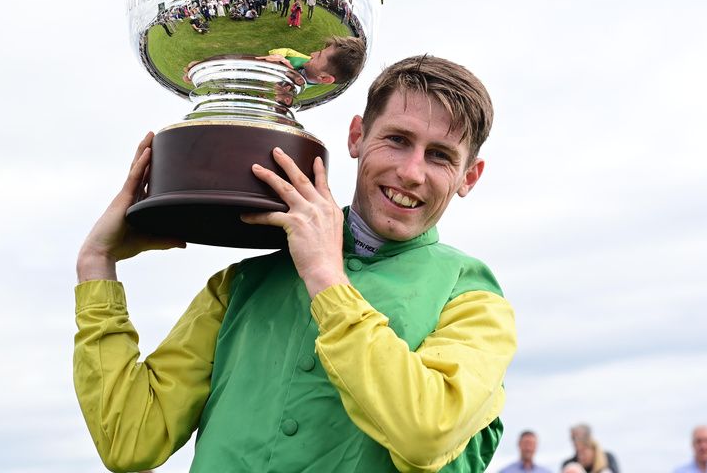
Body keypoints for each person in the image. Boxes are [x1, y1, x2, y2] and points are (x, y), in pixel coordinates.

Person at [73, 55, 517, 472]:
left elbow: (425, 432)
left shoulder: (474, 300)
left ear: (469, 177)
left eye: (440, 155)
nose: (411, 172)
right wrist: (97, 265)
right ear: (356, 136)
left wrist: (325, 277)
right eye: (397, 140)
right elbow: (129, 440)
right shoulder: (240, 284)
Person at [259, 36, 366, 86]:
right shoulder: (305, 61)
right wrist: (278, 55)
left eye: (319, 56)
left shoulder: (302, 91)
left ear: (325, 78)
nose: (311, 54)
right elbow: (287, 51)